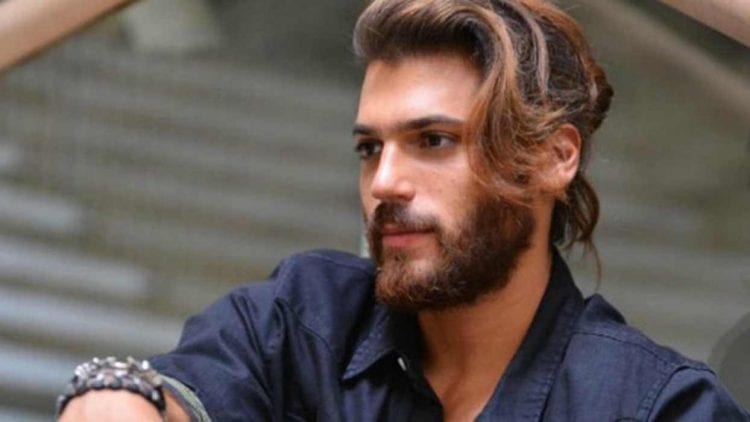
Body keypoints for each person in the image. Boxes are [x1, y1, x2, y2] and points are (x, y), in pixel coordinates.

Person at [58, 0, 749, 420]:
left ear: (554, 157)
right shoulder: (303, 321)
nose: (384, 182)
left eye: (433, 141)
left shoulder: (657, 407)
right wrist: (114, 394)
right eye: (369, 148)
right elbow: (169, 395)